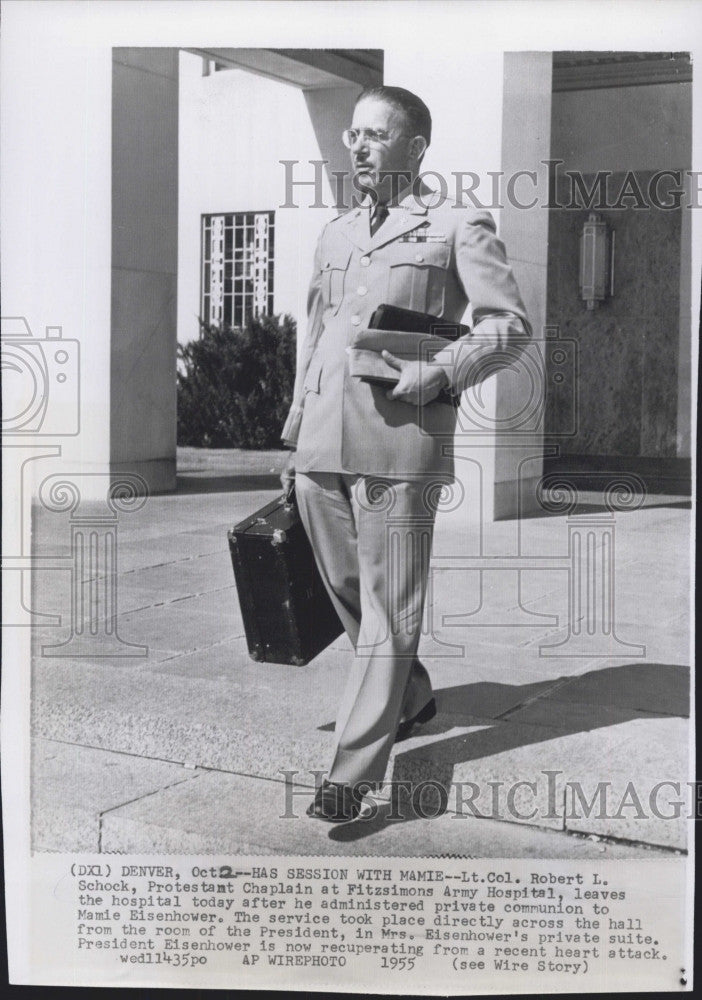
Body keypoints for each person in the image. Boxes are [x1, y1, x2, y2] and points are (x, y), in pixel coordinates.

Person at [280, 85, 530, 822]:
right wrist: (294, 434)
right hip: (323, 441)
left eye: (375, 135)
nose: (357, 146)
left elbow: (509, 325)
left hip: (401, 439)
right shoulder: (335, 232)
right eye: (353, 134)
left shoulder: (457, 222)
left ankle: (354, 772)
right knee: (347, 589)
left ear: (414, 148)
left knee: (390, 608)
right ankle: (412, 696)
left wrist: (444, 372)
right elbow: (317, 332)